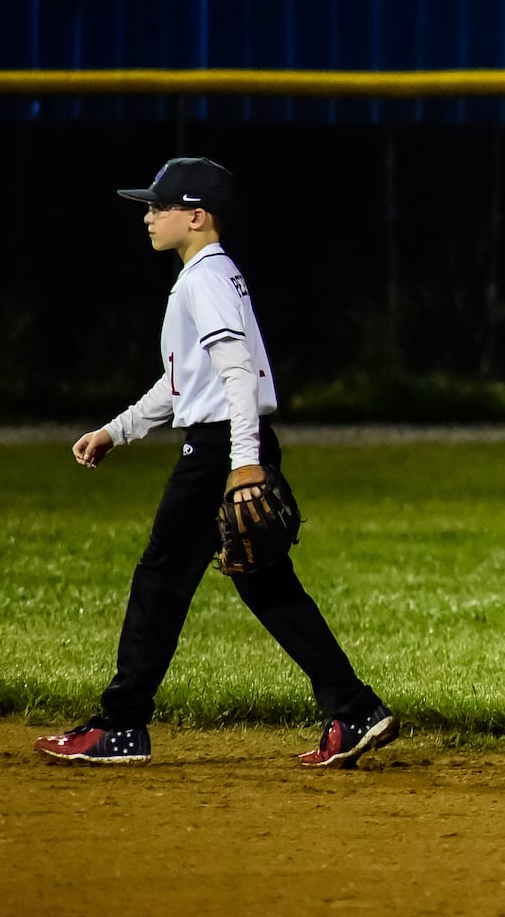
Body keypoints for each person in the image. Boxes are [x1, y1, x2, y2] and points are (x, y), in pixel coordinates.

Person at [34, 157, 397, 768]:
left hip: (221, 450)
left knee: (160, 577)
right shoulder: (213, 275)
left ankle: (121, 725)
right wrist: (115, 431)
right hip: (227, 441)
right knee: (268, 586)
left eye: (159, 206)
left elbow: (235, 375)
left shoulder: (203, 278)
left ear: (196, 216)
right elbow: (183, 383)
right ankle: (354, 708)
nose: (148, 217)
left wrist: (244, 463)